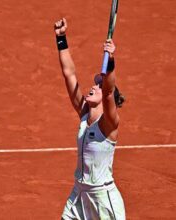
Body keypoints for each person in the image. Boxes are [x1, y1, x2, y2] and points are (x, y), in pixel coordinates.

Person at [54, 18, 126, 220]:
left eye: (98, 85)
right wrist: (61, 38)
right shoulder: (84, 114)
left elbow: (110, 91)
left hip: (103, 201)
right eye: (95, 84)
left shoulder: (109, 124)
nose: (94, 86)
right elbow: (69, 74)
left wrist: (110, 60)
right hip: (79, 195)